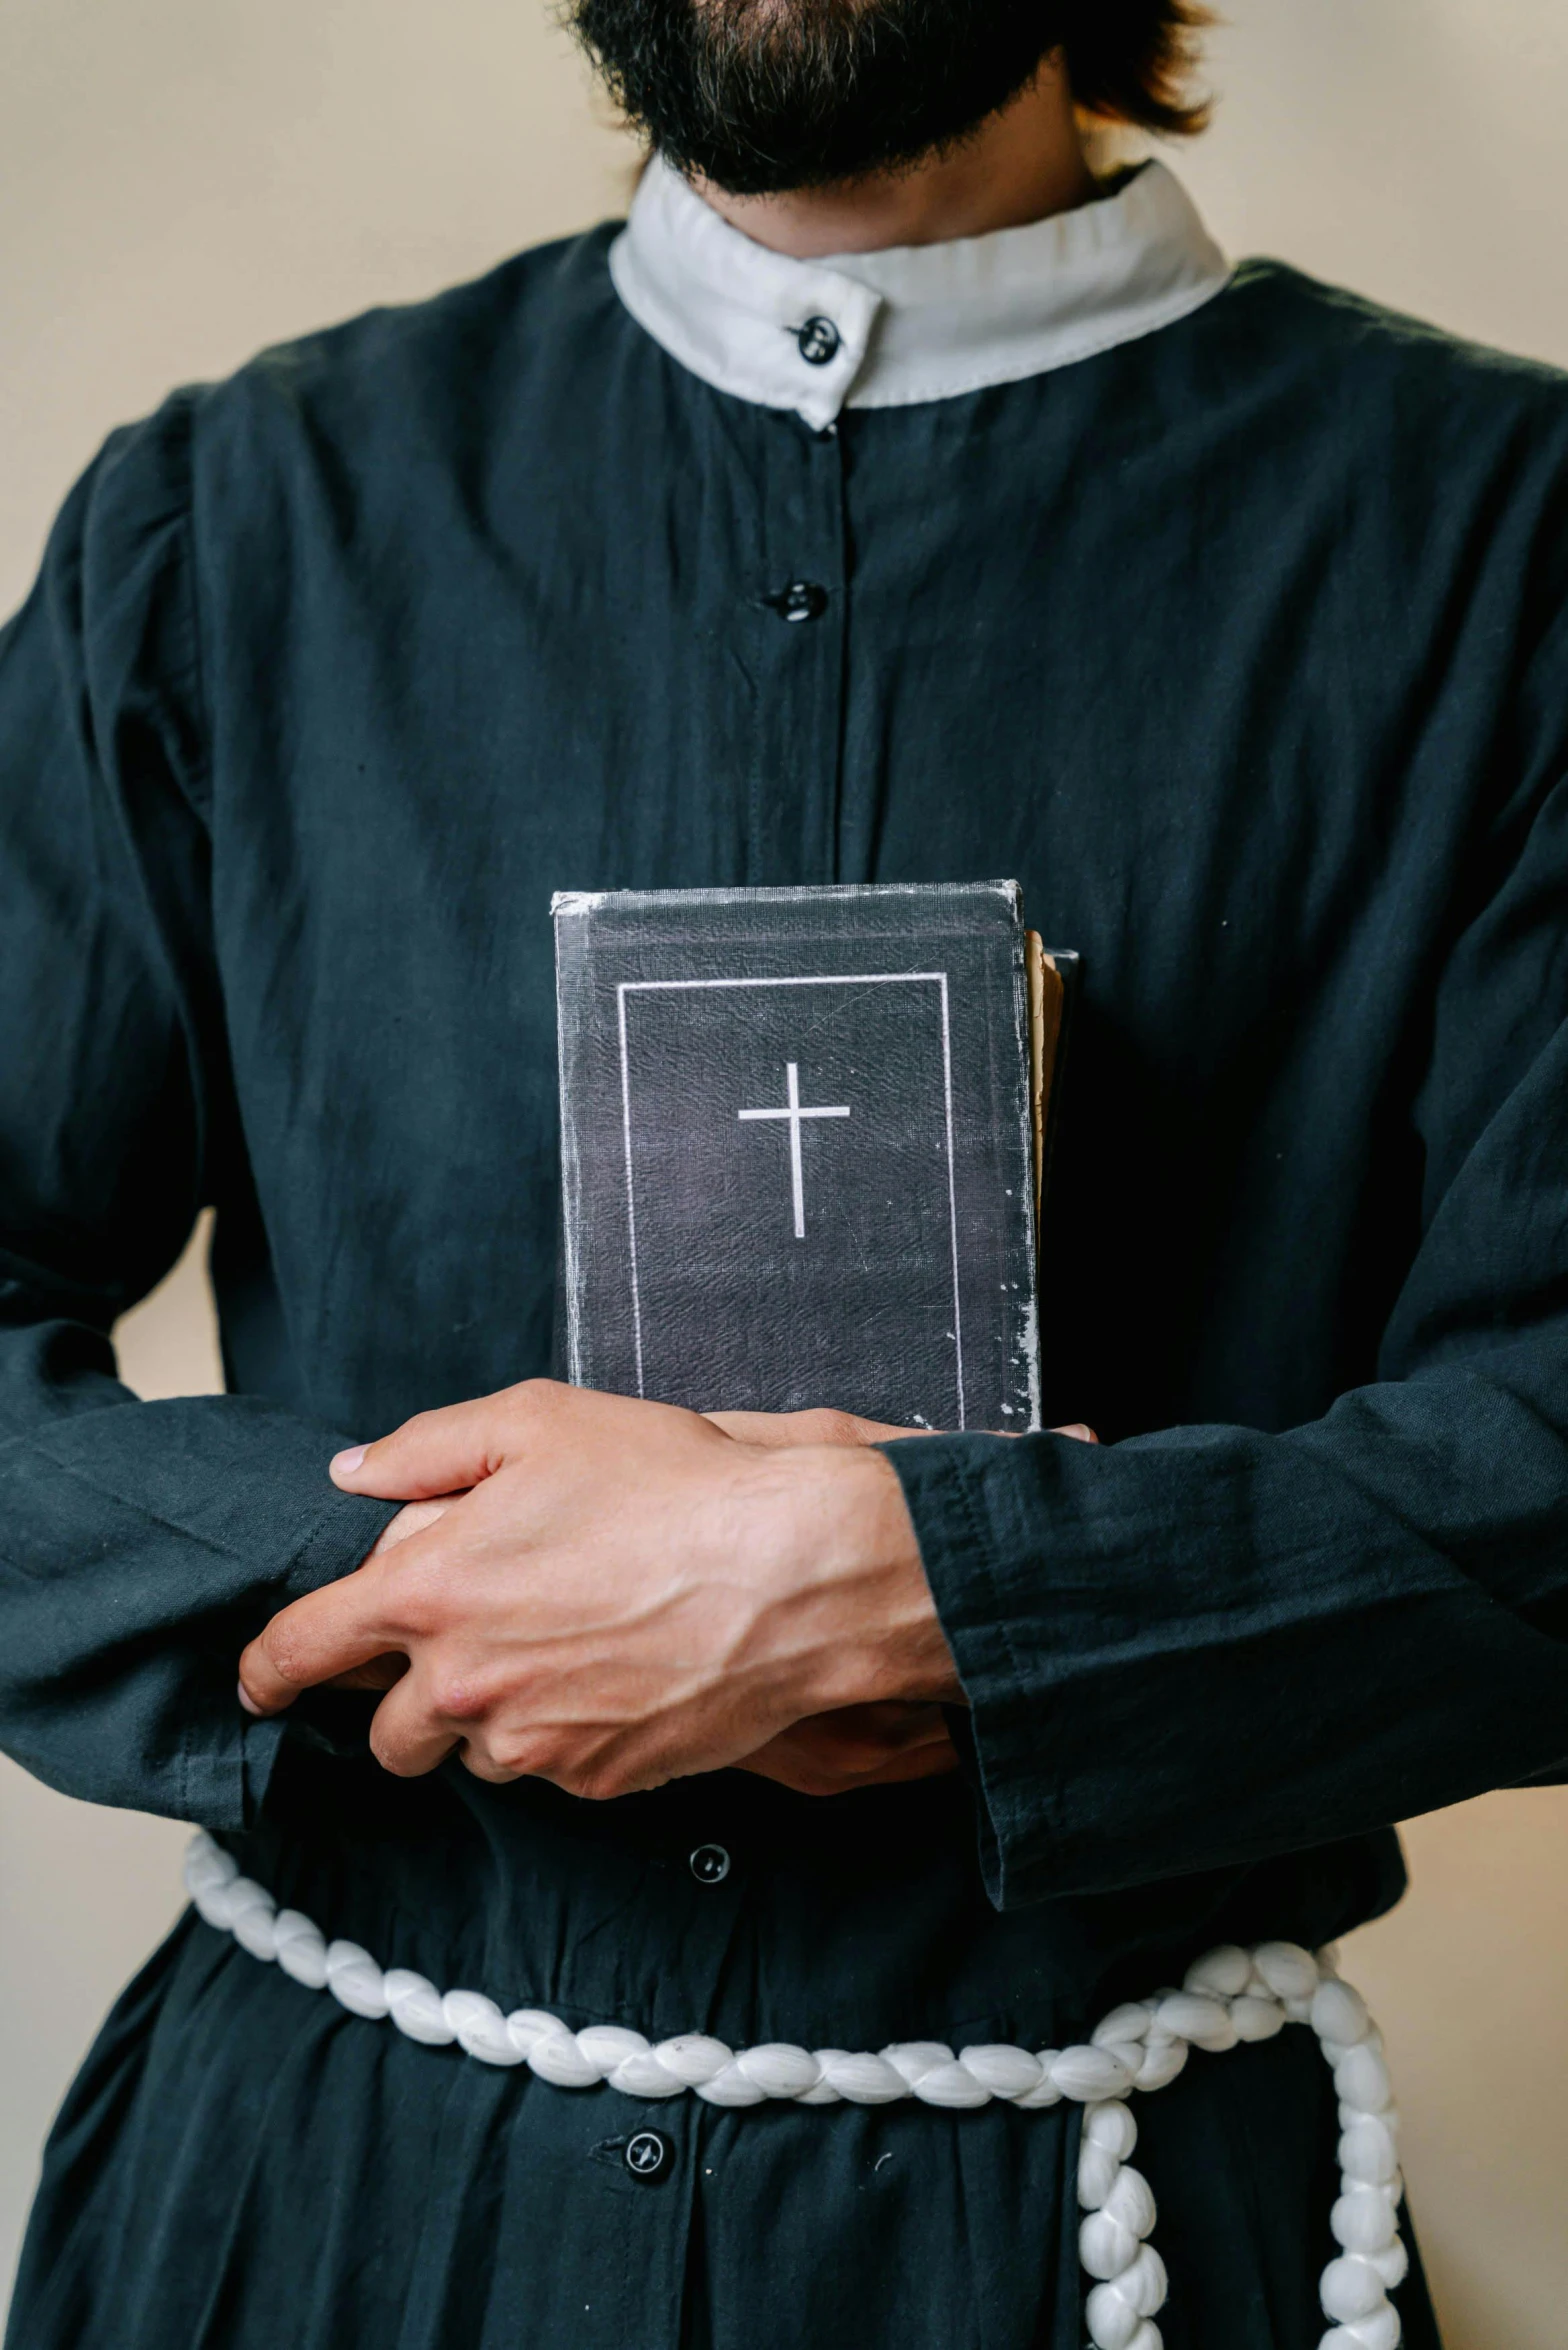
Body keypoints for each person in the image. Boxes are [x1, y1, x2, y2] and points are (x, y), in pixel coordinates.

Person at [2, 0, 1566, 2341]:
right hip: (321, 2221)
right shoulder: (227, 521)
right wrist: (462, 1586)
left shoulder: (1508, 547)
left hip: (1092, 2247)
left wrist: (933, 1593)